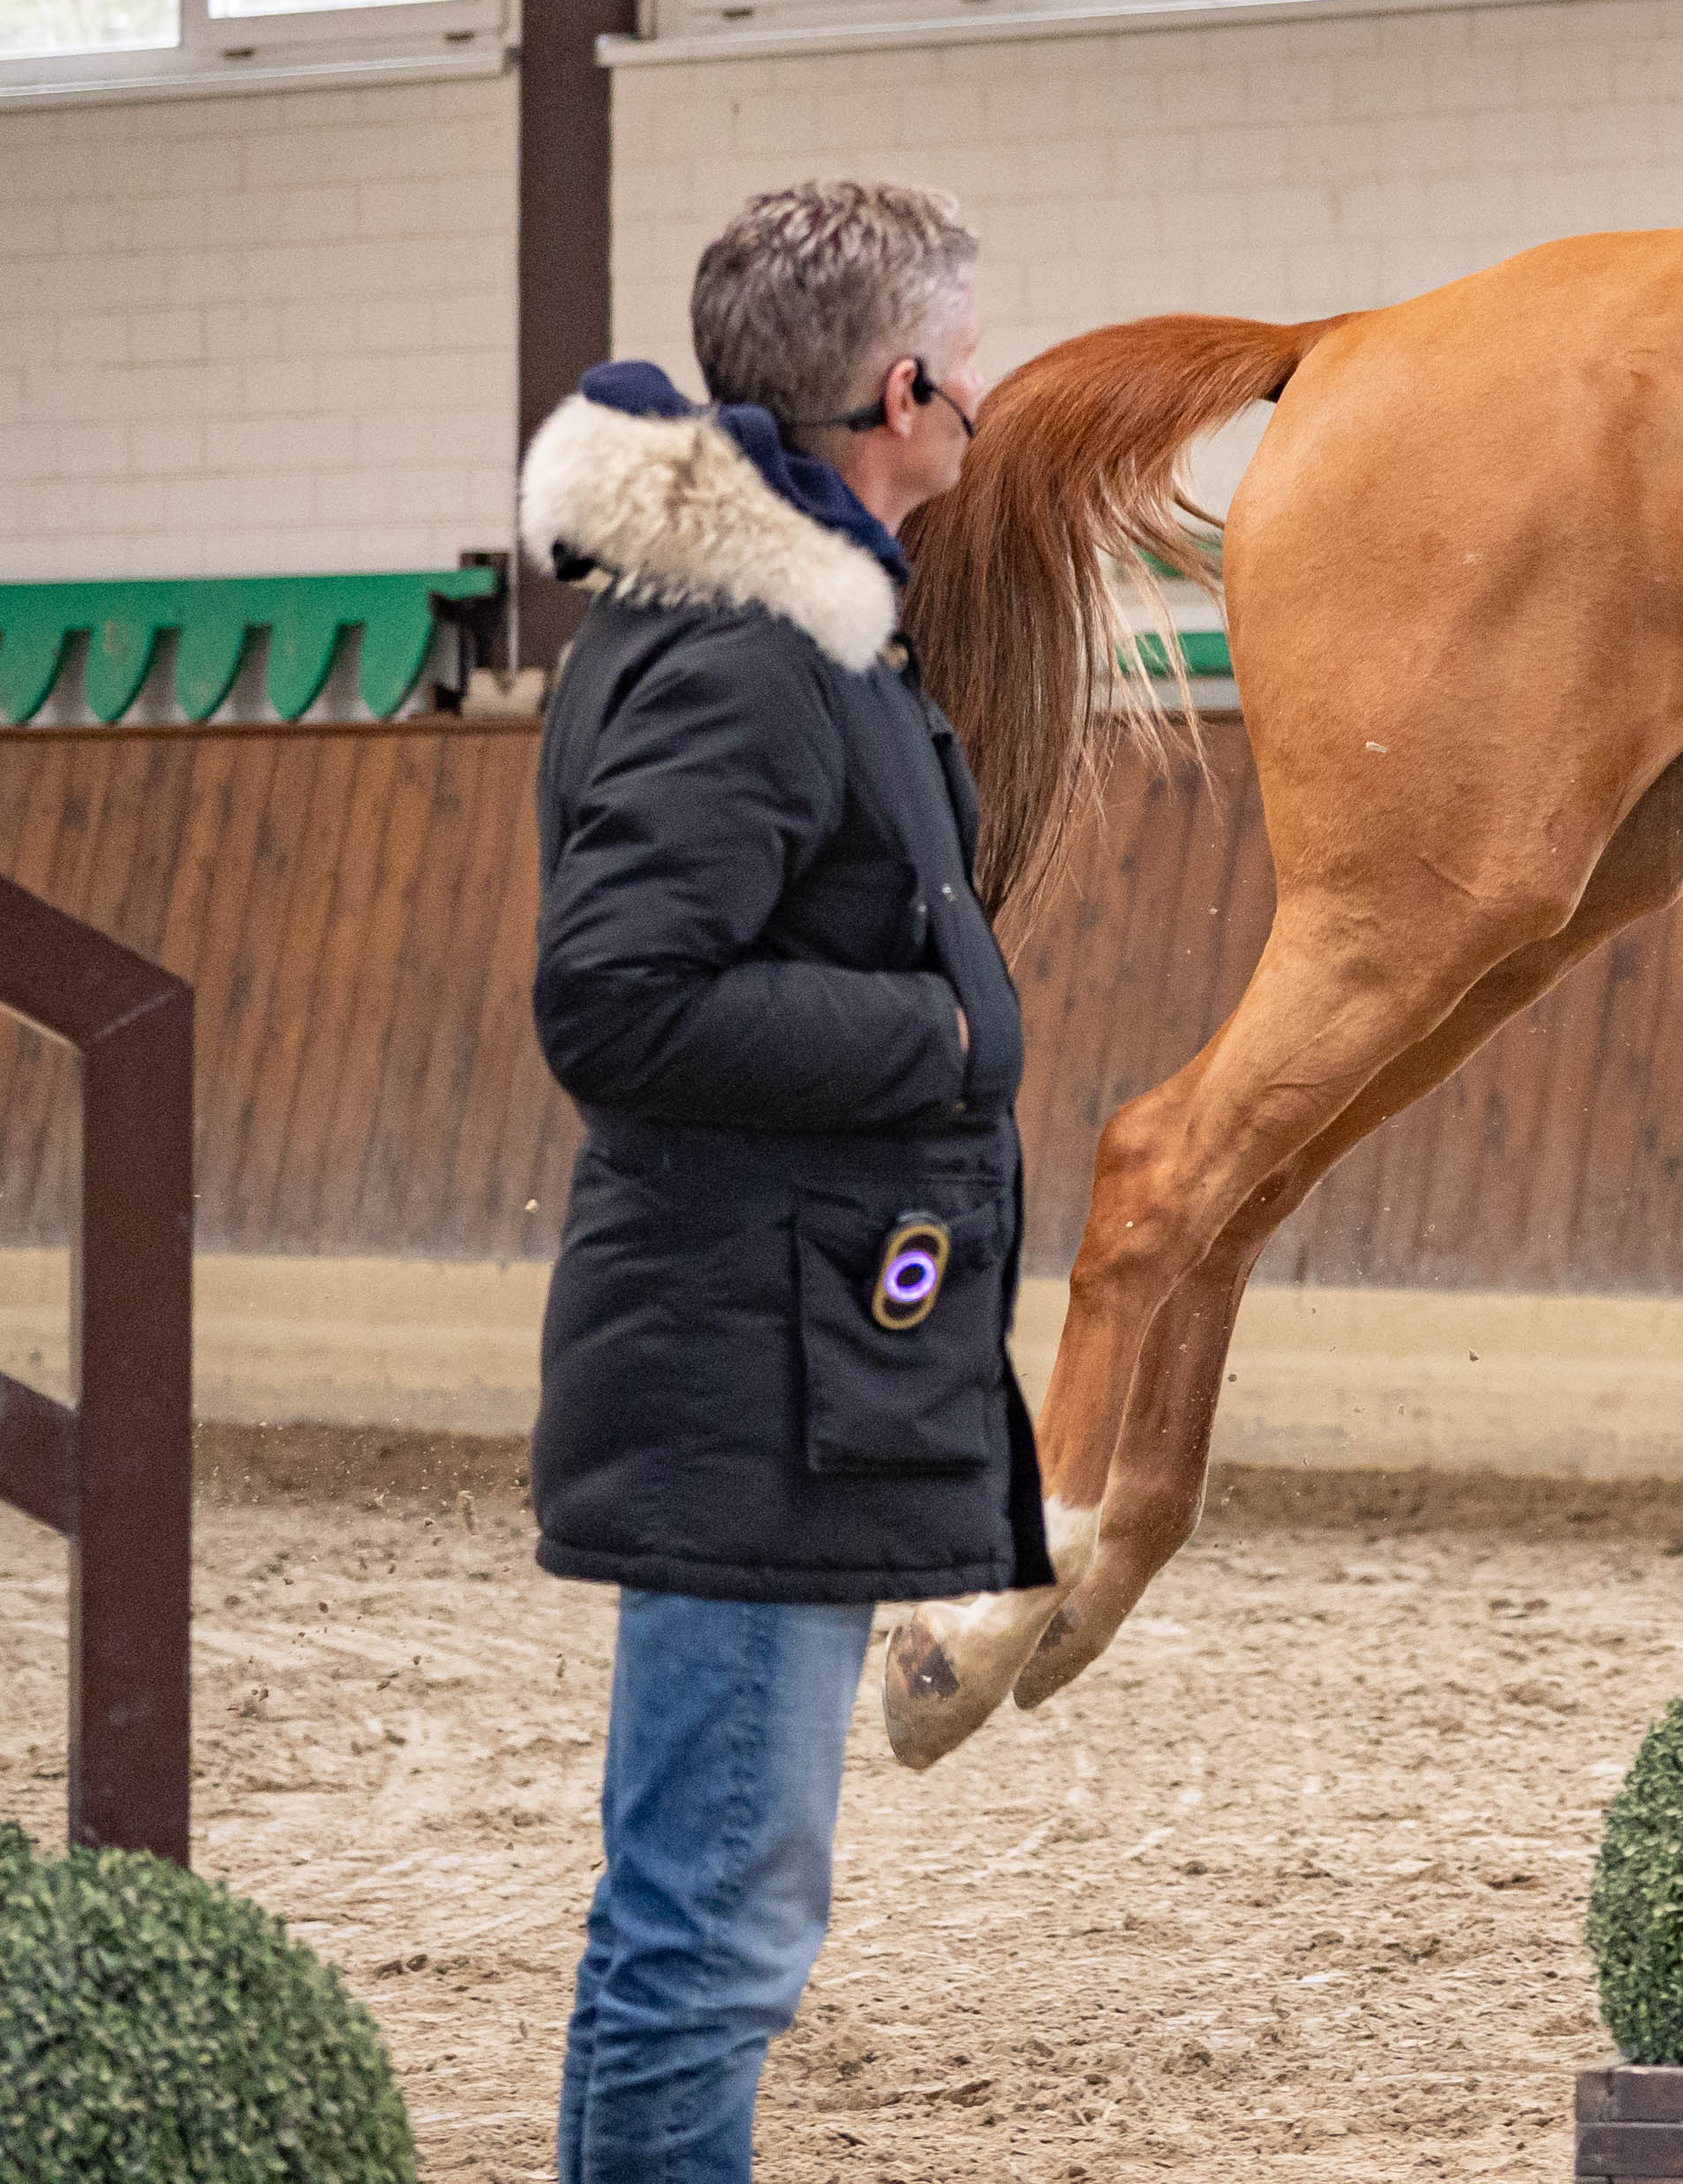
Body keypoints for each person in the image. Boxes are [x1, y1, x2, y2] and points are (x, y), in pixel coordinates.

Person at [512, 178, 1037, 2184]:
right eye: (968, 373)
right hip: (750, 1365)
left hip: (789, 1346)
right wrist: (946, 1040)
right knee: (709, 1930)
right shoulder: (745, 651)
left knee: (709, 1920)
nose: (979, 408)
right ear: (901, 387)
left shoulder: (796, 619)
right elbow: (621, 1000)